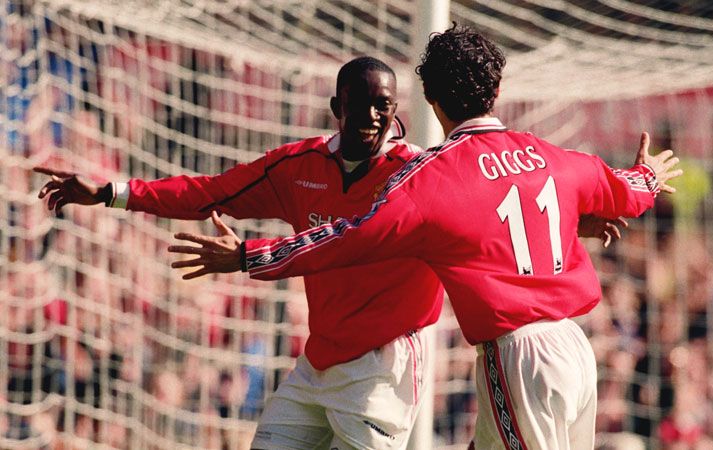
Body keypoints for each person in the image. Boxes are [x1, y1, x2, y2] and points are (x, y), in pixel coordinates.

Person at [36, 55, 627, 450]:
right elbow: (209, 192)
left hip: (385, 365)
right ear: (335, 109)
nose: (375, 117)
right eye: (363, 103)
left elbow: (492, 220)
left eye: (385, 106)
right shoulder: (297, 168)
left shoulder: (422, 177)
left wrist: (576, 225)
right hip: (318, 363)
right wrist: (115, 193)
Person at [168, 25, 681, 450]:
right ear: (497, 91)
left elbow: (345, 237)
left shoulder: (431, 179)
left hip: (518, 357)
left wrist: (247, 256)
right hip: (575, 349)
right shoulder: (549, 154)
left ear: (430, 100)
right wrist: (649, 176)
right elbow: (623, 190)